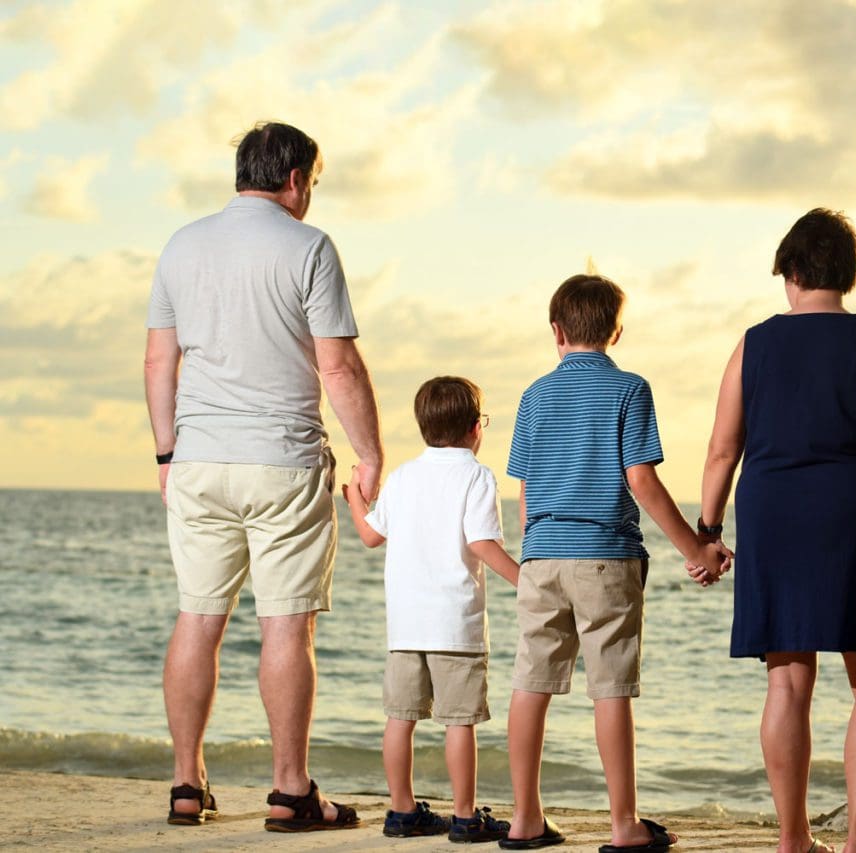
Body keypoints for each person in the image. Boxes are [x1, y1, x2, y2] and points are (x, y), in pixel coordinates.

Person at [144, 121, 384, 832]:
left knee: (199, 616)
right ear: (296, 180)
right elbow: (338, 364)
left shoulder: (182, 244)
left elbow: (160, 363)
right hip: (283, 459)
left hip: (198, 459)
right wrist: (370, 453)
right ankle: (289, 791)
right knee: (286, 623)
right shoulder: (308, 246)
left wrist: (166, 454)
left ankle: (187, 784)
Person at [693, 208, 856, 853]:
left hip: (774, 513)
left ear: (791, 272)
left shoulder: (753, 343)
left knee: (788, 681)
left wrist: (707, 531)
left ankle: (793, 838)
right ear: (849, 275)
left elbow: (720, 450)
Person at [501, 274, 731, 851]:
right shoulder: (630, 390)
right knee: (610, 690)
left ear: (556, 331)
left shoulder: (532, 396)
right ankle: (624, 824)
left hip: (539, 557)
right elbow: (641, 481)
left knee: (531, 683)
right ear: (616, 331)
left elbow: (526, 493)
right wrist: (695, 549)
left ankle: (525, 819)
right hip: (604, 558)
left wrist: (536, 553)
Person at [344, 375, 519, 843]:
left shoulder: (402, 477)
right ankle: (464, 817)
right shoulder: (476, 476)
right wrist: (527, 581)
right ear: (474, 429)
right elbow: (481, 543)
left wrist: (355, 500)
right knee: (458, 722)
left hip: (405, 626)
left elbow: (369, 535)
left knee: (400, 717)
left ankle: (402, 811)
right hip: (454, 625)